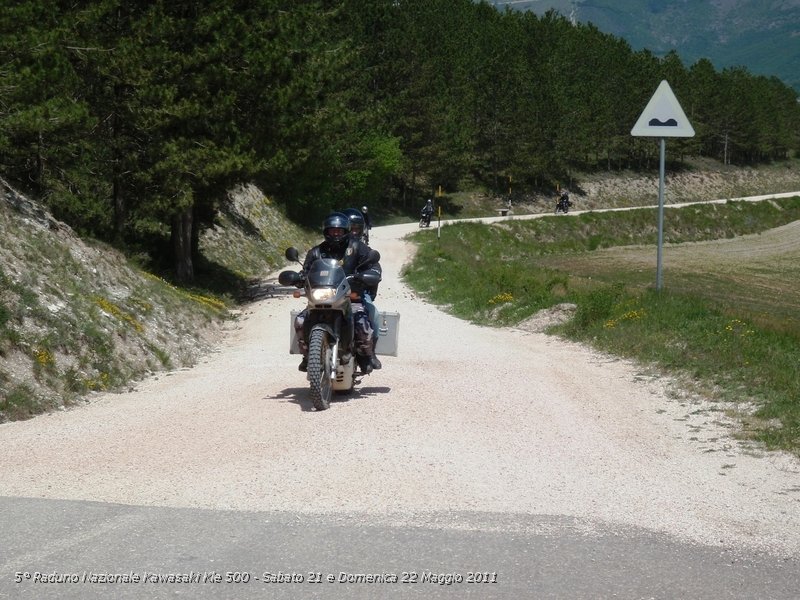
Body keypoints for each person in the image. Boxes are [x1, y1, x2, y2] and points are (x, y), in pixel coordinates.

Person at [294, 212, 382, 374]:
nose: (335, 234)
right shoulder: (316, 252)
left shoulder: (357, 247)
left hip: (351, 295)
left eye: (339, 231)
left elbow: (373, 264)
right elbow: (306, 271)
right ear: (326, 232)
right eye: (332, 231)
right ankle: (308, 356)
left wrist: (369, 274)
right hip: (323, 296)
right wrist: (299, 278)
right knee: (300, 321)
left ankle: (367, 354)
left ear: (345, 231)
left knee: (364, 319)